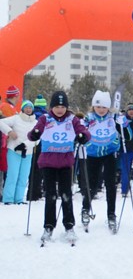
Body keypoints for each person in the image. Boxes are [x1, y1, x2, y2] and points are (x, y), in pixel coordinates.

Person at [28, 91, 89, 244]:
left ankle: (69, 226)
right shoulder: (45, 118)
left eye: (62, 107)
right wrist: (34, 134)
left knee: (66, 195)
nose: (60, 110)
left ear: (66, 107)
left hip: (65, 163)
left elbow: (84, 132)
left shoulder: (72, 119)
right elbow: (33, 132)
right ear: (52, 107)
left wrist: (83, 136)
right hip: (48, 163)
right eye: (56, 107)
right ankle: (48, 227)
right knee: (50, 195)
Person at [79, 91, 123, 233]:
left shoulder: (113, 117)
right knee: (92, 184)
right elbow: (80, 130)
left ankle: (111, 214)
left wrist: (122, 124)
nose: (101, 110)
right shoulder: (89, 118)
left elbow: (127, 134)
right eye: (98, 106)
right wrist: (81, 136)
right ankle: (85, 209)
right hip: (93, 153)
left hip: (110, 153)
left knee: (110, 184)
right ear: (93, 106)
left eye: (104, 107)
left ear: (108, 107)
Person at [1, 99, 35, 204]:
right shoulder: (16, 118)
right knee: (13, 175)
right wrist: (10, 132)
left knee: (23, 176)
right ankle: (8, 198)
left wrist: (25, 145)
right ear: (22, 109)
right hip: (13, 151)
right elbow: (1, 122)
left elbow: (37, 138)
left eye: (30, 107)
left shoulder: (36, 122)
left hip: (27, 152)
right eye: (26, 107)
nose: (28, 109)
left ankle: (19, 199)